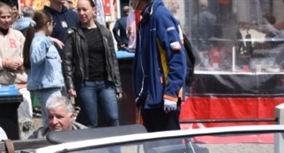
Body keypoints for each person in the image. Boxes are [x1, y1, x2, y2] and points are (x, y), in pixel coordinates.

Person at [63, 0, 123, 128]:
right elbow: (67, 60)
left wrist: (118, 85)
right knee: (91, 122)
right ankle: (93, 142)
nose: (81, 13)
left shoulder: (105, 32)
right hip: (85, 84)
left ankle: (115, 142)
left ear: (94, 10)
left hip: (106, 82)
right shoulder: (73, 33)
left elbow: (112, 60)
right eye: (79, 10)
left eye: (84, 9)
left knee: (113, 118)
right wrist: (70, 84)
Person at [133, 0, 187, 132]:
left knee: (169, 144)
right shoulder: (146, 19)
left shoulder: (160, 16)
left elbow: (177, 57)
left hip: (163, 98)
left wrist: (171, 93)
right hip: (149, 98)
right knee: (153, 144)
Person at [26, 11, 65, 127]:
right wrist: (49, 40)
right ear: (48, 24)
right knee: (55, 120)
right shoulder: (39, 41)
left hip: (50, 86)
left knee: (50, 120)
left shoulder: (41, 40)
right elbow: (36, 58)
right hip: (47, 88)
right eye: (53, 24)